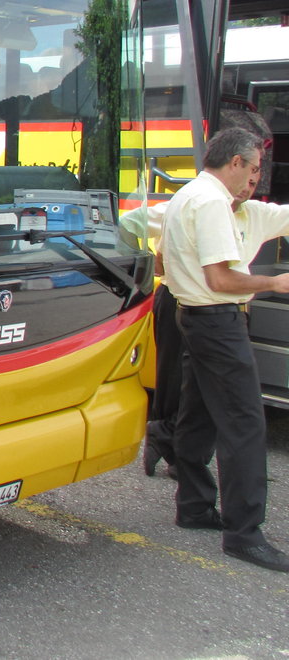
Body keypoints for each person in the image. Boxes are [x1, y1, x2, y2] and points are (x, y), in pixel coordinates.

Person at [159, 127, 289, 572]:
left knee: (198, 416)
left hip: (192, 316)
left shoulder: (188, 194)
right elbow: (222, 280)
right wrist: (273, 281)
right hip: (218, 318)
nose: (253, 178)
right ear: (234, 162)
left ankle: (194, 505)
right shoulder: (213, 203)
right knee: (245, 426)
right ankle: (244, 533)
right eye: (252, 168)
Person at [131, 179, 258, 480]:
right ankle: (168, 440)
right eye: (244, 177)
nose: (245, 187)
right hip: (184, 300)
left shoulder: (250, 214)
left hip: (214, 308)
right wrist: (149, 265)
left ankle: (174, 449)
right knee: (182, 384)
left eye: (254, 181)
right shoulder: (195, 203)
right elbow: (132, 221)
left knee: (194, 389)